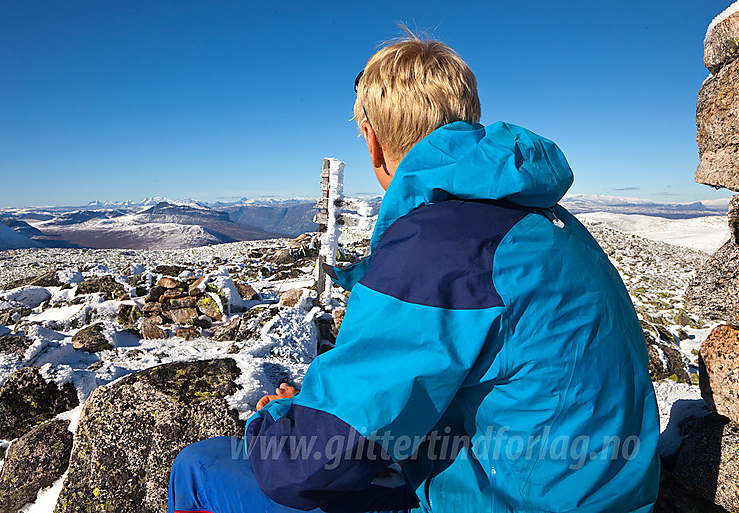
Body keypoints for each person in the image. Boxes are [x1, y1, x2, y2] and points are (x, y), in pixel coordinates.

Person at [168, 32, 660, 513]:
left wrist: (279, 419)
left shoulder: (442, 245)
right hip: (589, 492)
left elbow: (302, 470)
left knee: (199, 467)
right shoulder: (544, 222)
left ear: (372, 141)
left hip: (503, 499)